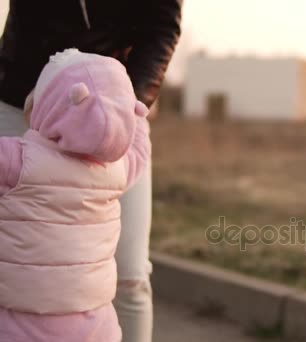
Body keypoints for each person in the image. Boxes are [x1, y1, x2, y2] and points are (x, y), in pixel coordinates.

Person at [0, 1, 182, 341]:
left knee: (131, 275)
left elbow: (162, 27)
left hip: (109, 112)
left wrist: (127, 108)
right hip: (15, 100)